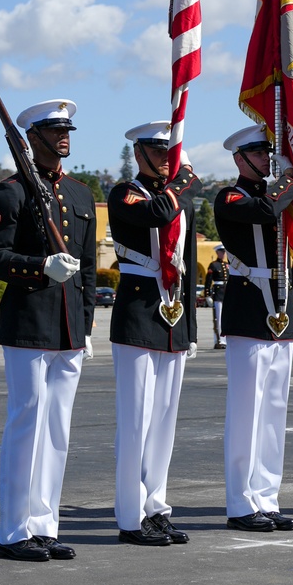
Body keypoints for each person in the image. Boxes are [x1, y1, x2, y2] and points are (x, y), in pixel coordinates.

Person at [0, 99, 96, 563]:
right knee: (26, 424)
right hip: (28, 324)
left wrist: (86, 325)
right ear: (32, 138)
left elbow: (88, 268)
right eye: (54, 130)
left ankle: (45, 525)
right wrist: (39, 267)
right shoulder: (10, 192)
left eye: (68, 128)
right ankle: (13, 531)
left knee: (57, 431)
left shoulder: (81, 194)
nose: (64, 137)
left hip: (69, 327)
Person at [106, 121, 201, 547]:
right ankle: (130, 516)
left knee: (164, 422)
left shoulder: (179, 199)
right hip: (138, 310)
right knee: (136, 421)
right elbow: (156, 214)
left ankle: (156, 508)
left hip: (172, 314)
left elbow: (188, 262)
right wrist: (180, 185)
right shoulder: (126, 193)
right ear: (139, 153)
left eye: (171, 150)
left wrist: (192, 328)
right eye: (158, 150)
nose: (166, 158)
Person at [214, 125, 293, 532]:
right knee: (247, 412)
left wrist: (288, 183)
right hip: (249, 307)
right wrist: (292, 181)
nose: (266, 159)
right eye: (258, 154)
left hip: (280, 308)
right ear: (239, 159)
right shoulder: (230, 197)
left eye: (269, 153)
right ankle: (240, 503)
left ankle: (267, 496)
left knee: (273, 414)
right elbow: (266, 210)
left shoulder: (274, 193)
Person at [204, 245, 229, 349]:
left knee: (226, 317)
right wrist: (207, 294)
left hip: (226, 292)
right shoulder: (213, 265)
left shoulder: (227, 265)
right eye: (221, 252)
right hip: (218, 293)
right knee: (218, 317)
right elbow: (208, 280)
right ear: (217, 253)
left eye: (224, 252)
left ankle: (226, 339)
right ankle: (219, 340)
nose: (223, 254)